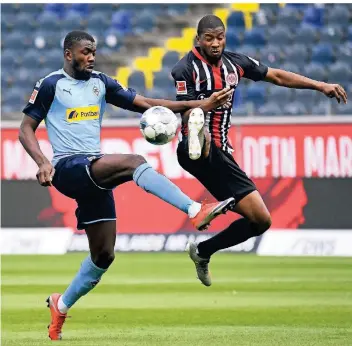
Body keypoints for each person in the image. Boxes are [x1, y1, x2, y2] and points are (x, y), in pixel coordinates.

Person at [19, 30, 235, 340]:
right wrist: (42, 161)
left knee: (104, 255)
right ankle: (194, 209)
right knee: (133, 162)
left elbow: (145, 103)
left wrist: (199, 104)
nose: (91, 56)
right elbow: (26, 129)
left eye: (93, 51)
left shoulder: (100, 83)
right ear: (68, 54)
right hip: (68, 167)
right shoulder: (52, 84)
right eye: (85, 52)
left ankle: (60, 305)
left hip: (93, 172)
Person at [171, 15, 348, 287]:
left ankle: (203, 251)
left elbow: (275, 75)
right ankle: (199, 139)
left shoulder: (235, 63)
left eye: (220, 37)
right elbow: (182, 111)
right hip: (192, 149)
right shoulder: (184, 69)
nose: (215, 43)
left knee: (260, 220)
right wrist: (205, 105)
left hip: (221, 157)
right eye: (209, 38)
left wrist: (320, 85)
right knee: (195, 121)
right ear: (198, 39)